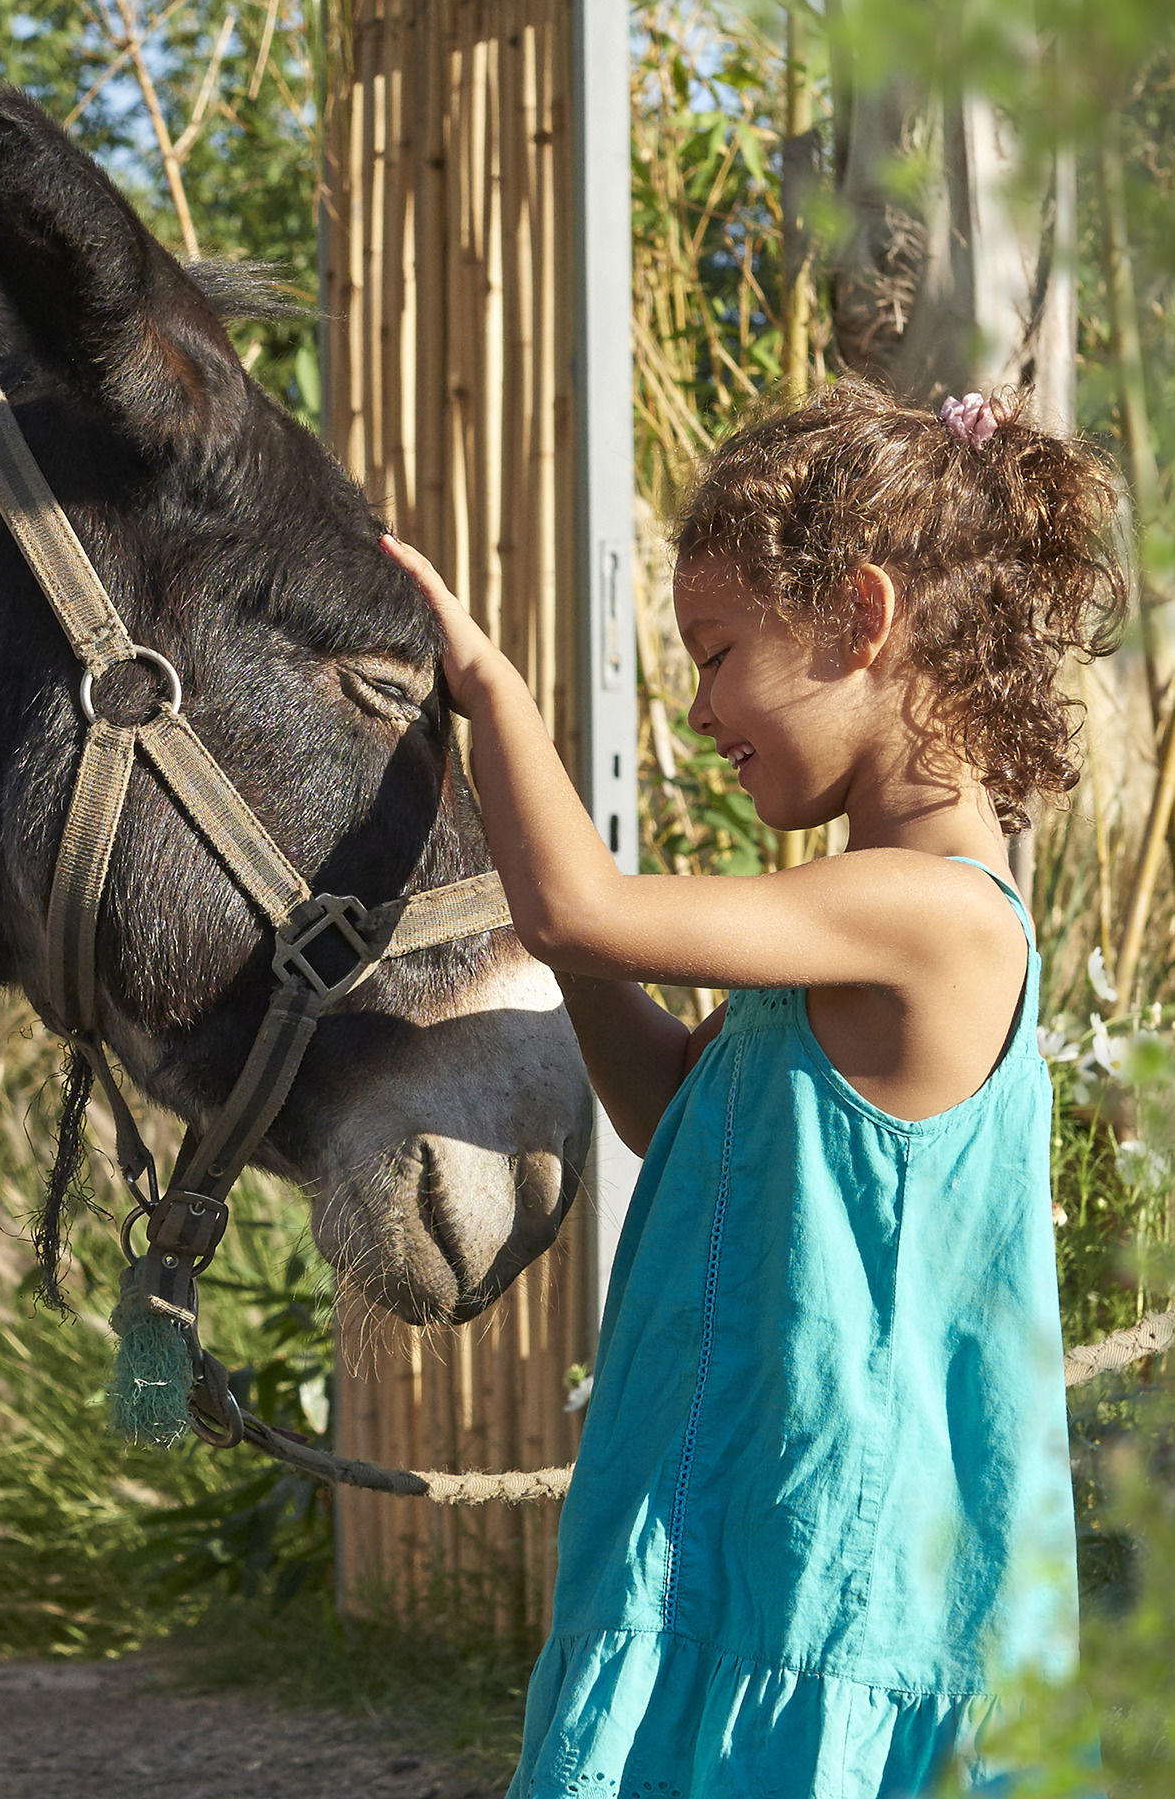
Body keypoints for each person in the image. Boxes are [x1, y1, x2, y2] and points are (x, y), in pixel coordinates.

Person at [383, 378, 1127, 1799]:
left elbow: (586, 910)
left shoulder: (939, 915)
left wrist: (490, 696)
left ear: (859, 620)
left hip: (840, 1584)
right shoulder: (836, 923)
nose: (702, 705)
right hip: (719, 1530)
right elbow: (681, 1120)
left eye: (717, 654)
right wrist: (534, 899)